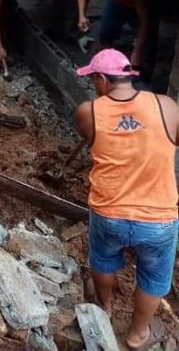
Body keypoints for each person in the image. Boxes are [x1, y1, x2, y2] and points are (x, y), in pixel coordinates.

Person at [74, 48, 179, 351]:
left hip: (110, 214)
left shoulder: (87, 112)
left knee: (103, 259)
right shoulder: (166, 106)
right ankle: (138, 335)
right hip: (158, 219)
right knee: (155, 275)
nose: (94, 85)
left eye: (93, 79)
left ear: (102, 79)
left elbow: (90, 135)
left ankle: (104, 309)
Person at [77, 0, 158, 83]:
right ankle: (101, 72)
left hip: (143, 5)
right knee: (105, 34)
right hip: (117, 2)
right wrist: (82, 16)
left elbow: (145, 21)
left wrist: (137, 51)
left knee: (145, 48)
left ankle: (141, 82)